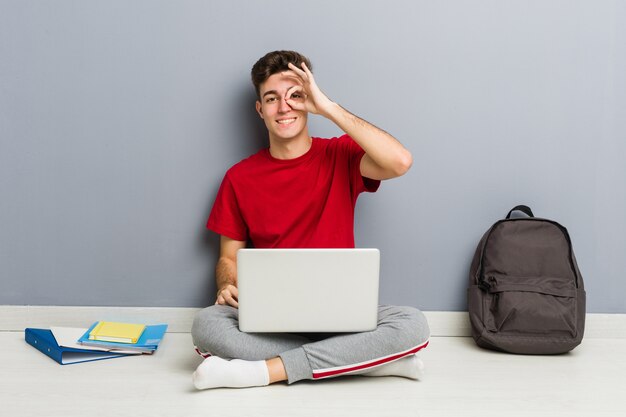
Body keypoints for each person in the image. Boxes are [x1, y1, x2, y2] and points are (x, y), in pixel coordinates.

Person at [191, 50, 430, 390]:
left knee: (412, 323)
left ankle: (263, 372)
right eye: (272, 99)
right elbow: (228, 257)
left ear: (309, 101)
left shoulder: (340, 155)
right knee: (207, 325)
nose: (284, 107)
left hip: (341, 317)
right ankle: (364, 362)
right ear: (260, 110)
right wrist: (227, 283)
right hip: (269, 320)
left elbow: (400, 161)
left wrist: (328, 108)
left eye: (295, 96)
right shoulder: (238, 178)